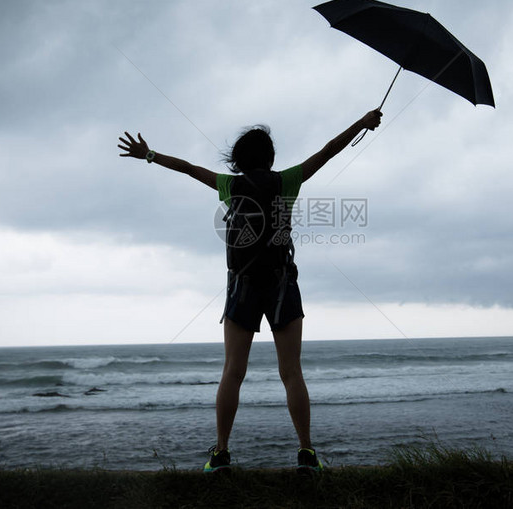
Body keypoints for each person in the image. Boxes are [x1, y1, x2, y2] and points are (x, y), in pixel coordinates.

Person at [117, 109, 382, 473]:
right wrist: (362, 123)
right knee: (291, 372)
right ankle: (306, 451)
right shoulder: (287, 181)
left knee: (232, 372)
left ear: (238, 161)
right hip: (281, 285)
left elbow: (189, 168)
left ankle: (221, 453)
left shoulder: (230, 186)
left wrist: (148, 155)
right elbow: (330, 149)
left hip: (241, 286)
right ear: (271, 158)